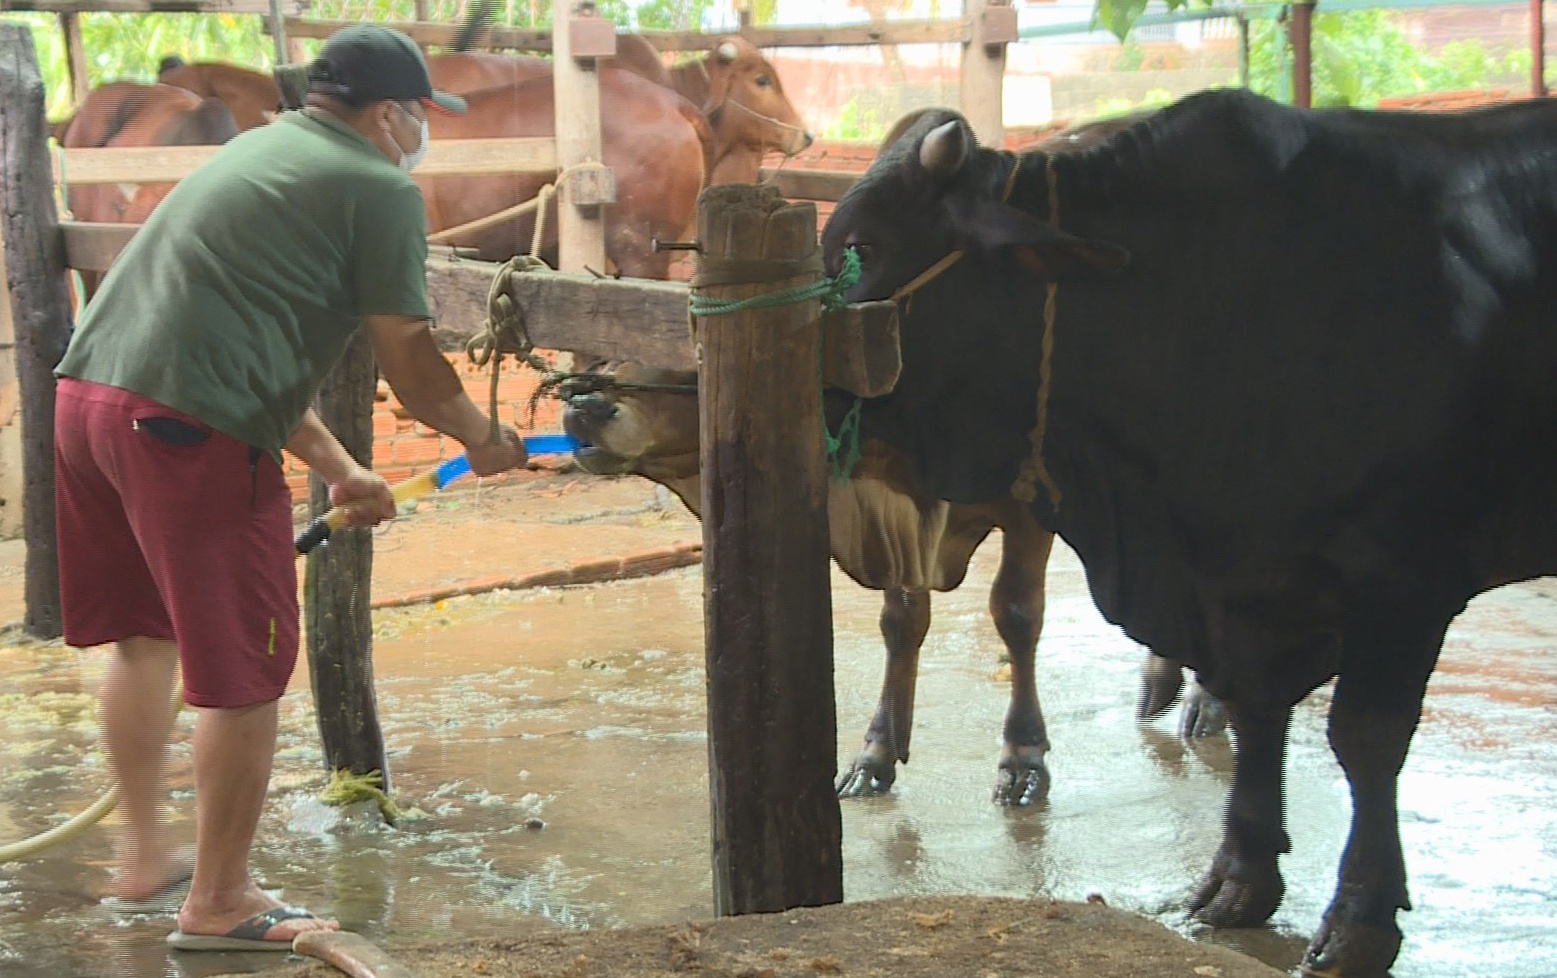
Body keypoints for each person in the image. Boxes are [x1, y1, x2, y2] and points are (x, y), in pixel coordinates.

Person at [52, 24, 527, 952]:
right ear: (390, 114)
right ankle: (220, 904)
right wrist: (483, 436)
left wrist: (344, 469)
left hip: (92, 403)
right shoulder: (380, 187)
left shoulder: (259, 148)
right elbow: (414, 362)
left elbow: (229, 345)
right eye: (421, 115)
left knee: (146, 640)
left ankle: (146, 856)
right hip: (184, 434)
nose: (420, 133)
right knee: (242, 674)